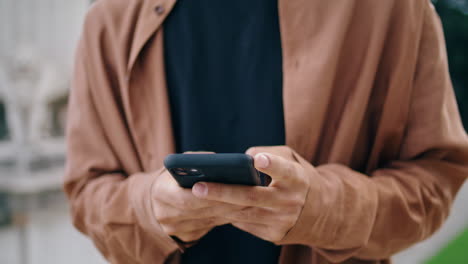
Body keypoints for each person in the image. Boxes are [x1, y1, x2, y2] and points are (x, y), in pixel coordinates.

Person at [64, 0, 468, 264]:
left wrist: (326, 208)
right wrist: (150, 208)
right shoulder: (112, 19)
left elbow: (436, 177)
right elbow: (87, 191)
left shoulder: (394, 9)